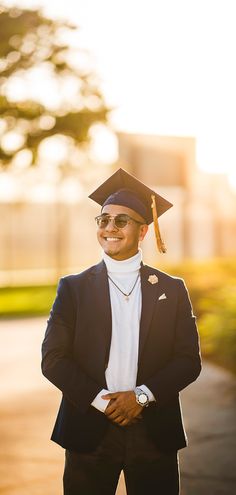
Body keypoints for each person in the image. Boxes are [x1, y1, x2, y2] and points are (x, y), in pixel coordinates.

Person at [41, 168, 201, 495]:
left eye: (121, 221)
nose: (109, 228)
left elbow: (188, 361)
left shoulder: (171, 289)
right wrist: (105, 403)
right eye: (103, 220)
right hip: (89, 429)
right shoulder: (73, 289)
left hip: (153, 431)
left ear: (143, 232)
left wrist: (141, 397)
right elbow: (54, 359)